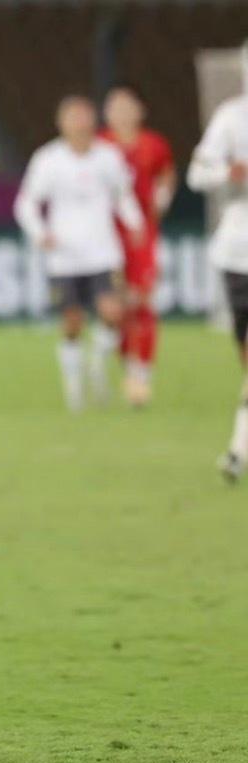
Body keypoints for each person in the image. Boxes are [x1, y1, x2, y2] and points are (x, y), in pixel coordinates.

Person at [15, 95, 145, 412]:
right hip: (64, 258)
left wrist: (135, 222)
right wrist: (40, 233)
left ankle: (97, 362)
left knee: (112, 313)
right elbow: (26, 204)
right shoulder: (48, 159)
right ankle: (74, 386)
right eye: (72, 118)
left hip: (103, 253)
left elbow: (123, 195)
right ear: (61, 123)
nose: (79, 124)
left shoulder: (108, 157)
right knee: (72, 323)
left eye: (83, 117)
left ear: (93, 121)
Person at [188, 40, 248, 484]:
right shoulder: (231, 118)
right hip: (238, 252)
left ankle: (237, 451)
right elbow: (197, 174)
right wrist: (228, 173)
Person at [100, 85, 176, 408]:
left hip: (142, 233)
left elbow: (167, 174)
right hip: (106, 234)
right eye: (115, 107)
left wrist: (162, 198)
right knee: (118, 306)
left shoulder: (153, 144)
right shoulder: (101, 146)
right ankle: (121, 362)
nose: (121, 113)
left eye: (127, 106)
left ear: (140, 111)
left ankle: (141, 375)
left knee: (143, 300)